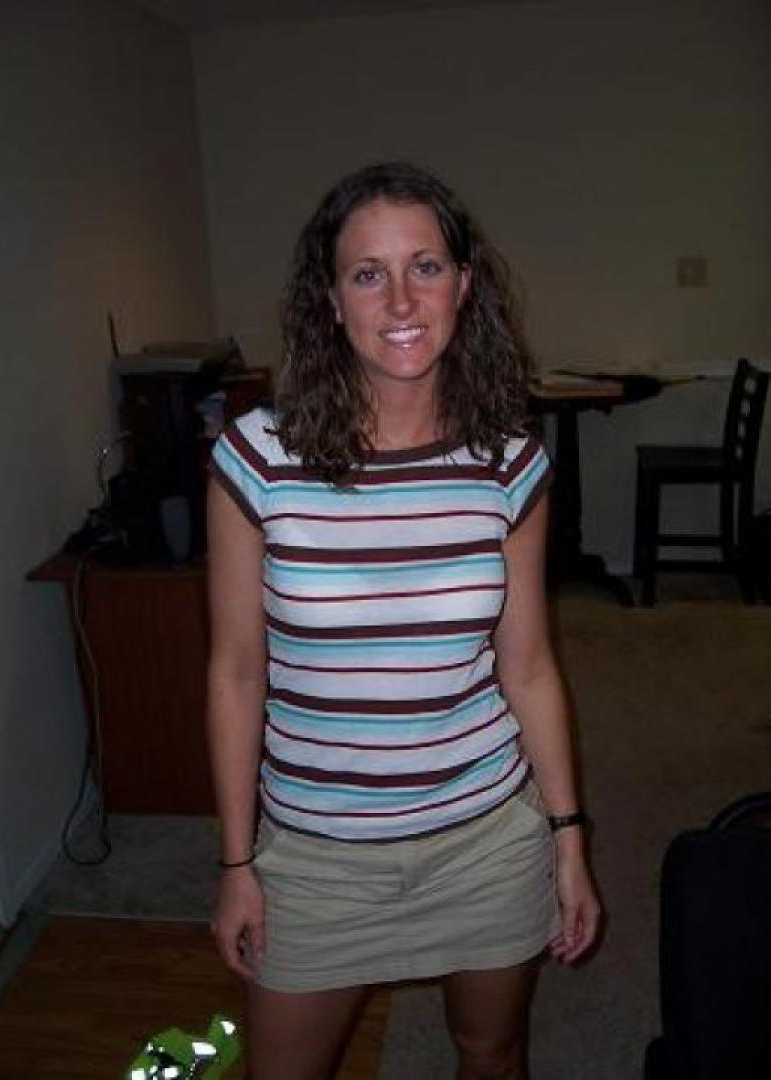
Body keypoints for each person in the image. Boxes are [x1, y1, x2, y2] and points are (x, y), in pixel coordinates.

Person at [206, 161, 600, 1080]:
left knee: (491, 1055)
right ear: (330, 301)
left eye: (424, 266)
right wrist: (235, 863)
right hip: (316, 856)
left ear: (463, 284)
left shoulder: (510, 464)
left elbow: (529, 668)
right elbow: (235, 672)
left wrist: (567, 838)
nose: (399, 300)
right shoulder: (256, 459)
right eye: (367, 273)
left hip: (484, 840)